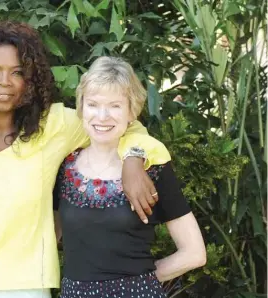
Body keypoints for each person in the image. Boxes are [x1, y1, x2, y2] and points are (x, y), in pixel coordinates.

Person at [0, 21, 171, 298]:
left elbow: (123, 125)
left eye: (17, 72)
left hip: (23, 287)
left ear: (30, 79)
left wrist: (133, 158)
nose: (4, 82)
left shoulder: (54, 125)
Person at [54, 56, 206, 298]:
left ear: (131, 112)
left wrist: (137, 283)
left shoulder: (152, 169)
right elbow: (50, 237)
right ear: (81, 108)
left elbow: (194, 253)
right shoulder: (64, 168)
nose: (102, 116)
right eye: (93, 104)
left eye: (115, 106)